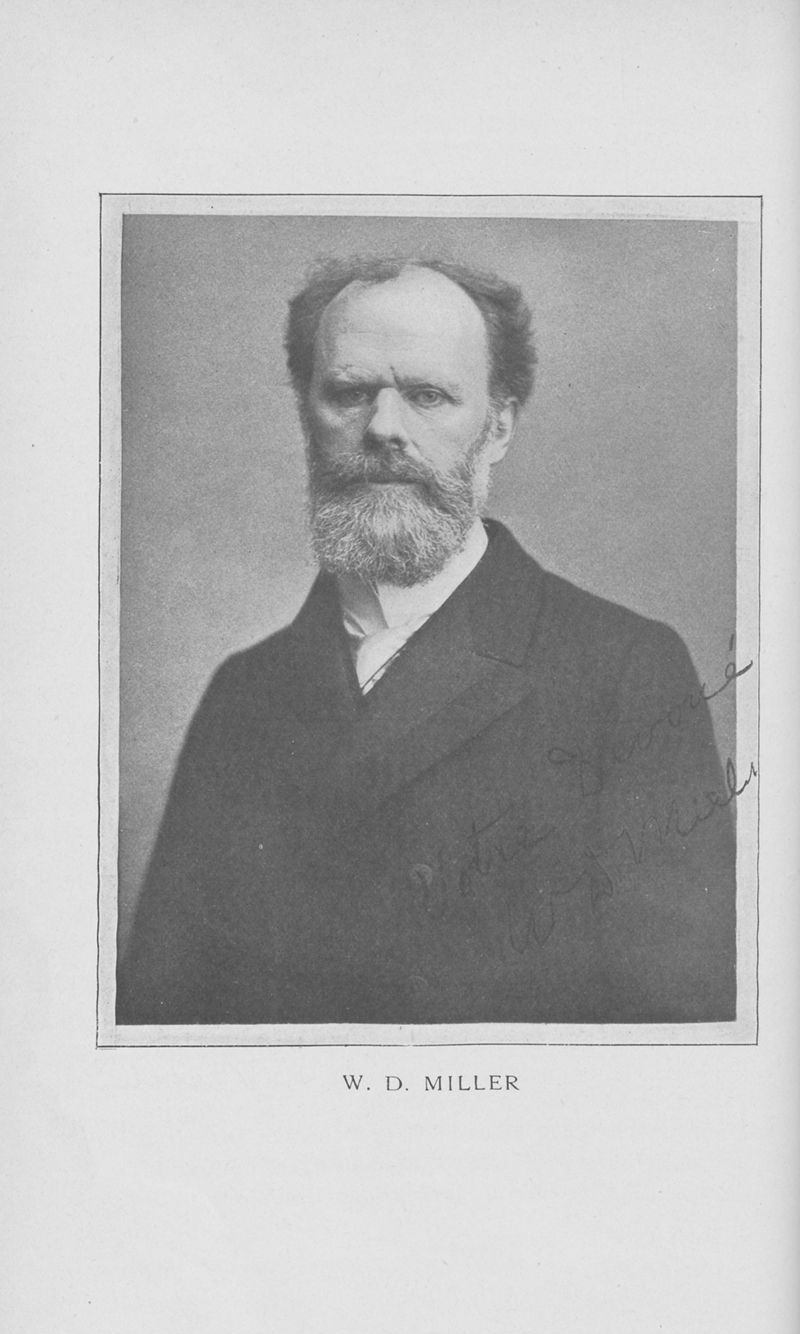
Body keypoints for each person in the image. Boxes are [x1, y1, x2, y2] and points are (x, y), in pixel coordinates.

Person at [116, 256, 737, 1026]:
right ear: (306, 413)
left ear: (498, 427)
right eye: (349, 392)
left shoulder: (623, 672)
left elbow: (678, 1033)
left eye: (428, 395)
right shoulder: (245, 693)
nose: (384, 428)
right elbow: (164, 1021)